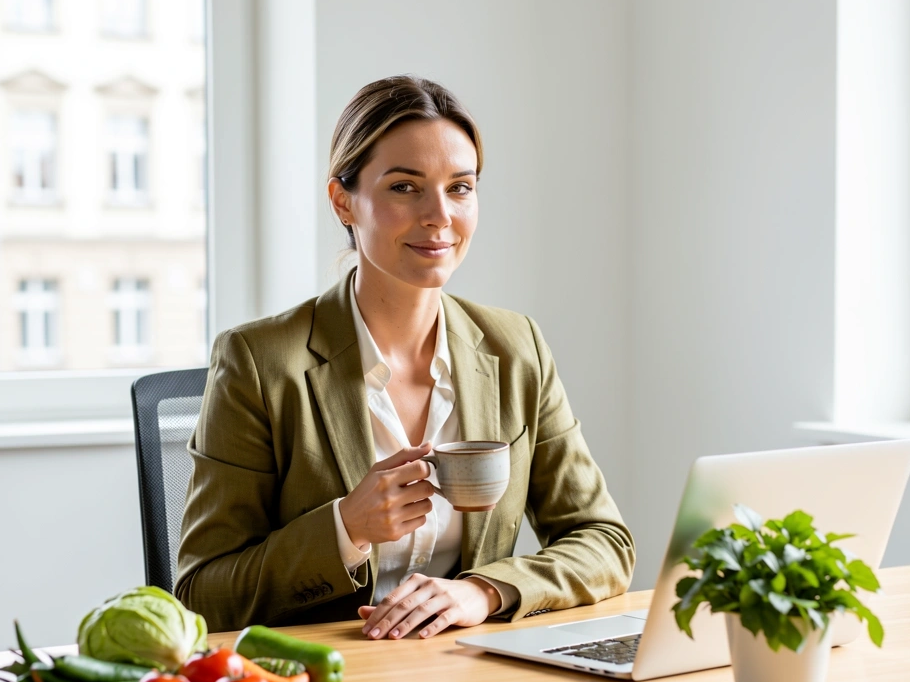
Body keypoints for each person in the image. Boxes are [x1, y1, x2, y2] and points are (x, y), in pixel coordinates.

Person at [176, 75, 634, 639]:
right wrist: (346, 528)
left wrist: (483, 591)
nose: (439, 215)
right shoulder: (258, 362)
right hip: (326, 676)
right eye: (404, 187)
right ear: (343, 201)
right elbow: (202, 594)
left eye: (460, 187)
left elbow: (605, 542)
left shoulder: (516, 348)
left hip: (469, 669)